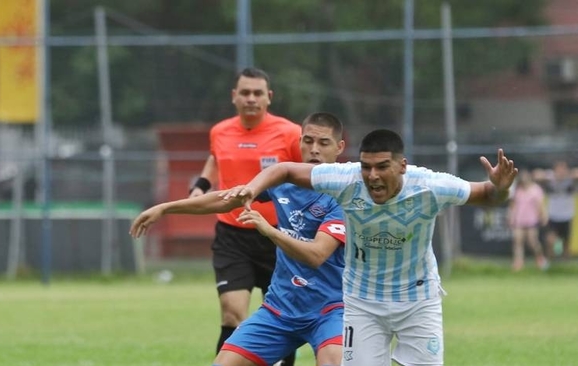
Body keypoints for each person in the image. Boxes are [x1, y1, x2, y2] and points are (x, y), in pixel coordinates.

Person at [222, 128, 518, 366]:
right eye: (366, 167)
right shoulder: (346, 179)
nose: (372, 176)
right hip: (362, 303)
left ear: (402, 166)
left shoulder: (430, 185)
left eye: (381, 167)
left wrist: (501, 187)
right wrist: (253, 188)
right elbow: (284, 170)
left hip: (417, 300)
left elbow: (487, 194)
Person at [130, 112, 347, 366]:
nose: (314, 150)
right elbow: (227, 199)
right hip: (281, 309)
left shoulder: (346, 194)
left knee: (333, 363)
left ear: (339, 148)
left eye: (323, 143)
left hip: (330, 311)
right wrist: (166, 208)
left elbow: (316, 255)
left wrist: (270, 231)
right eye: (307, 141)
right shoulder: (283, 183)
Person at [188, 67, 302, 365]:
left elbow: (306, 173)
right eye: (245, 92)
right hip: (232, 234)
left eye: (257, 93)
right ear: (234, 96)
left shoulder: (290, 133)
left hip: (278, 235)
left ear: (269, 97)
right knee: (231, 311)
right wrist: (201, 186)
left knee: (281, 315)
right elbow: (216, 157)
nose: (251, 98)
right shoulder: (220, 131)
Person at [533, 160, 578, 260]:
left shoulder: (570, 179)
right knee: (550, 240)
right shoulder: (550, 178)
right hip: (553, 215)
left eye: (563, 168)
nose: (561, 171)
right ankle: (551, 261)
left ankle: (564, 264)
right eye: (559, 168)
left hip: (567, 215)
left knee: (566, 243)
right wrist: (551, 176)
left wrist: (568, 175)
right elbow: (536, 175)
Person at [506, 169, 548, 271]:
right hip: (519, 219)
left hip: (531, 220)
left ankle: (540, 258)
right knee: (518, 241)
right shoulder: (517, 190)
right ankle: (518, 262)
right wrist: (510, 216)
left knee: (532, 242)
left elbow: (540, 205)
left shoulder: (536, 190)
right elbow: (513, 205)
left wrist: (543, 216)